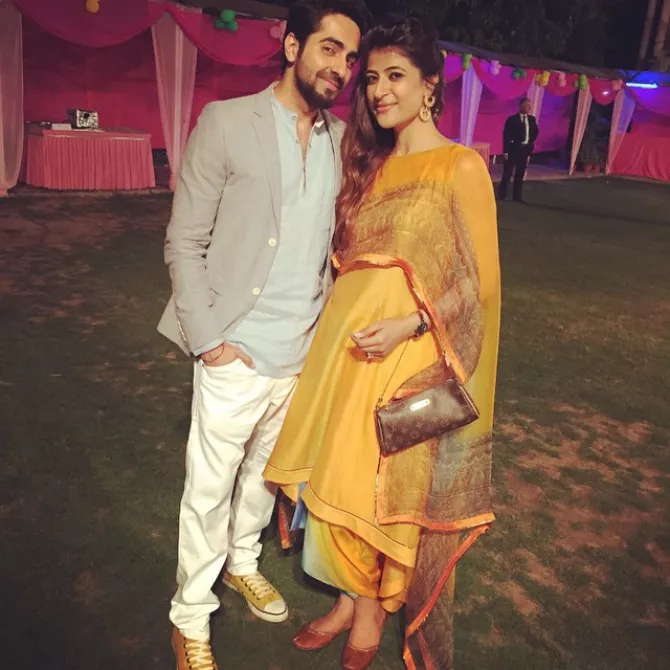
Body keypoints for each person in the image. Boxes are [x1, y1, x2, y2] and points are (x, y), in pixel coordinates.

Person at [264, 16, 501, 670]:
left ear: (430, 85)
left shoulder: (460, 166)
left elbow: (480, 286)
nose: (378, 91)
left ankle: (369, 610)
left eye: (395, 76)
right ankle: (346, 600)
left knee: (375, 485)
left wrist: (412, 324)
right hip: (342, 351)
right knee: (333, 478)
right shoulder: (369, 163)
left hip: (405, 355)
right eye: (370, 78)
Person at [156, 1, 369, 668]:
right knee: (208, 489)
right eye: (329, 49)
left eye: (350, 58)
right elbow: (184, 241)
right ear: (293, 46)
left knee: (264, 479)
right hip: (235, 350)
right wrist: (210, 341)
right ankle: (190, 615)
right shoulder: (227, 122)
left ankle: (243, 561)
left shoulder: (341, 142)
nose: (341, 68)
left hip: (301, 356)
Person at [498, 96, 539, 203]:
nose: (528, 108)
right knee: (507, 172)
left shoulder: (532, 119)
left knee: (520, 173)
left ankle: (517, 196)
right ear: (520, 106)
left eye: (529, 106)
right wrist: (506, 151)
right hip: (513, 149)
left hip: (525, 150)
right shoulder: (512, 119)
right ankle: (502, 194)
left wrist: (529, 143)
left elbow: (535, 132)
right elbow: (506, 135)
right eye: (526, 105)